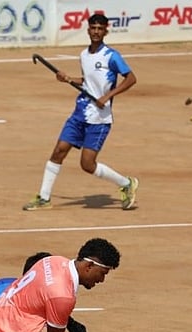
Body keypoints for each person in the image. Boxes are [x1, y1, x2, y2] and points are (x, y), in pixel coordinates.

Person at [22, 13, 139, 212]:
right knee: (59, 151)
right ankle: (44, 197)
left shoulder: (112, 56)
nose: (96, 32)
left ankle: (126, 183)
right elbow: (87, 82)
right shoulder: (84, 55)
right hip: (80, 112)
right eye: (93, 28)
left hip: (100, 119)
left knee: (87, 164)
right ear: (88, 30)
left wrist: (107, 96)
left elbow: (131, 79)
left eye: (100, 29)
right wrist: (68, 79)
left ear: (105, 31)